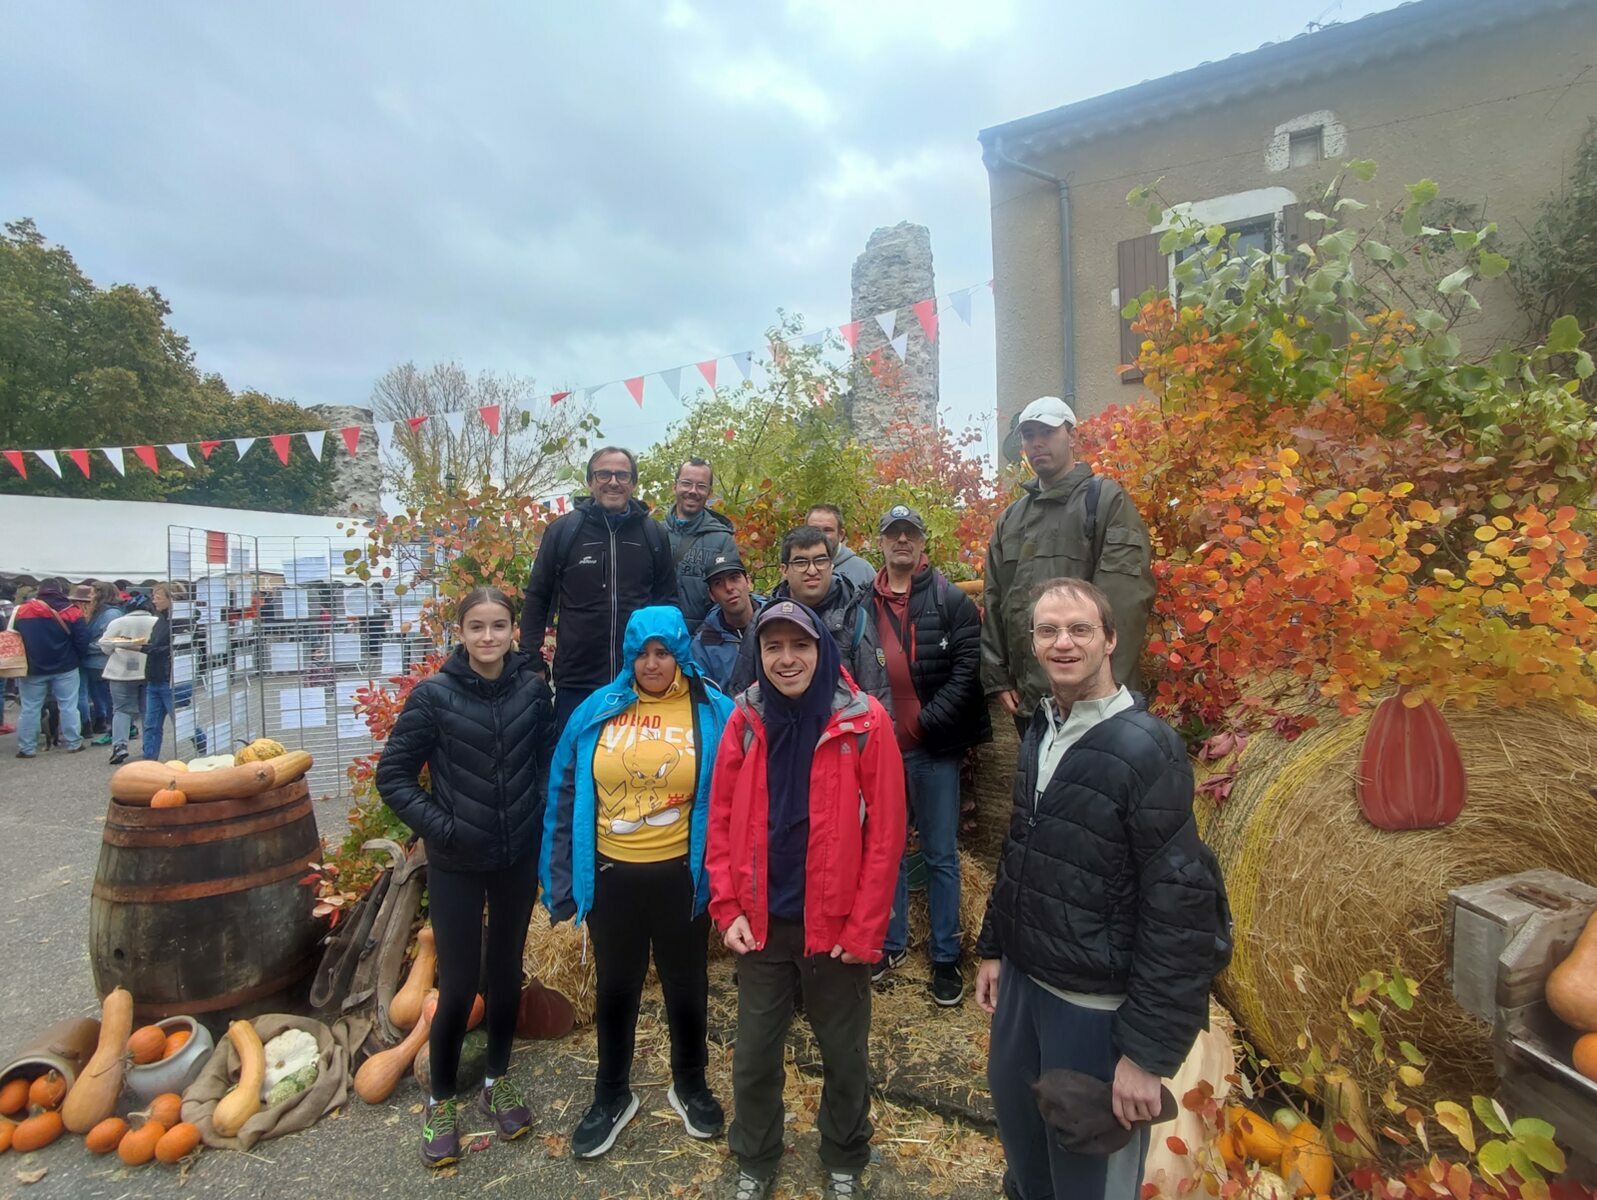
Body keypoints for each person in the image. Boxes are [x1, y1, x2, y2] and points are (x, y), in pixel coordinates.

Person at [974, 579, 1228, 1200]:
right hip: (1025, 992)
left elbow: (1181, 908)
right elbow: (1023, 849)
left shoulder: (1149, 749)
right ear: (1032, 643)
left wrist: (1145, 1055)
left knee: (1088, 1181)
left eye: (1080, 629)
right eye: (1048, 630)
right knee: (1026, 1163)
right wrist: (995, 947)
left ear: (1110, 639)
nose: (1063, 643)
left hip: (1091, 1011)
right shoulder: (1040, 730)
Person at [708, 599, 906, 1200]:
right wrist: (728, 907)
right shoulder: (745, 720)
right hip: (763, 924)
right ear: (759, 654)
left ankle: (845, 1155)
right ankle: (756, 1158)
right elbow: (718, 822)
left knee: (844, 1055)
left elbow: (888, 834)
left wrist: (866, 928)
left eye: (800, 646)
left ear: (822, 648)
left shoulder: (863, 720)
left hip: (837, 926)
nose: (787, 659)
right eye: (774, 647)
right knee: (754, 1057)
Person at [542, 605, 733, 1159]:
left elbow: (736, 800)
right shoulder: (597, 710)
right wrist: (559, 879)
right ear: (629, 656)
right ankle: (611, 1094)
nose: (652, 664)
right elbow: (561, 793)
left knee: (686, 984)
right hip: (611, 876)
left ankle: (690, 1083)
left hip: (681, 877)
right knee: (616, 987)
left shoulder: (712, 711)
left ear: (681, 654)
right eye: (642, 653)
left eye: (663, 652)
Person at [375, 586, 556, 1169]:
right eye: (476, 627)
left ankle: (497, 1079)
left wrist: (537, 819)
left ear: (512, 631)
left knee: (505, 976)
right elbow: (394, 776)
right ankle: (439, 1099)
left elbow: (548, 760)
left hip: (515, 857)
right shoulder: (433, 697)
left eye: (498, 626)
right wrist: (443, 828)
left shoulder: (533, 690)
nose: (487, 637)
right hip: (456, 860)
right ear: (460, 632)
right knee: (456, 989)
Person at [868, 505, 990, 1004]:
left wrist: (925, 723)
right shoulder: (862, 603)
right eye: (893, 533)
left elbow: (967, 670)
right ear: (881, 542)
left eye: (910, 534)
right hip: (881, 750)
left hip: (934, 748)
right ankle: (891, 943)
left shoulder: (951, 600)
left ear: (922, 542)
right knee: (889, 848)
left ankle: (945, 956)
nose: (902, 541)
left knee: (940, 854)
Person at [982, 396, 1155, 732]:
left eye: (1046, 431)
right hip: (1031, 705)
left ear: (1072, 436)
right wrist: (998, 677)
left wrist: (1103, 689)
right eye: (1028, 435)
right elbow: (994, 598)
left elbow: (1126, 601)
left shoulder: (1105, 501)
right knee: (1040, 785)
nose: (1036, 443)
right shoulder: (1011, 519)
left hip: (1096, 704)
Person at [520, 446, 679, 735]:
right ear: (591, 481)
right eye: (604, 473)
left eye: (622, 474)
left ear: (633, 482)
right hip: (577, 680)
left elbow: (668, 605)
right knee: (573, 767)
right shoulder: (564, 531)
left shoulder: (654, 535)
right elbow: (537, 598)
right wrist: (531, 659)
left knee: (633, 767)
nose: (613, 481)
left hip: (640, 678)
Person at [727, 526, 890, 713]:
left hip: (842, 736)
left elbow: (878, 697)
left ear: (831, 564)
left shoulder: (854, 619)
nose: (812, 570)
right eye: (801, 562)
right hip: (778, 734)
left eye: (820, 560)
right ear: (784, 570)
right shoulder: (763, 621)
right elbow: (741, 695)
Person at [11, 577, 91, 758]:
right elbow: (82, 639)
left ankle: (27, 748)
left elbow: (15, 637)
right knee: (68, 705)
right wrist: (78, 658)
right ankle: (74, 743)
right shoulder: (71, 611)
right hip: (66, 666)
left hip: (33, 668)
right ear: (60, 590)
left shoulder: (22, 611)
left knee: (30, 708)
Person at [661, 458, 739, 635]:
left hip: (704, 643)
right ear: (675, 487)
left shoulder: (722, 539)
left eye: (701, 486)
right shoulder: (654, 533)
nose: (693, 491)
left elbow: (729, 596)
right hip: (658, 641)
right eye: (686, 483)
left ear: (709, 493)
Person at [688, 553, 763, 693]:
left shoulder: (776, 622)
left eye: (734, 578)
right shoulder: (703, 645)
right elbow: (707, 700)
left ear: (748, 582)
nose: (728, 588)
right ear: (712, 595)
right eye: (718, 583)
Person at [99, 592, 157, 765]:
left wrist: (117, 649)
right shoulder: (156, 621)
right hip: (148, 670)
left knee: (121, 710)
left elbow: (105, 645)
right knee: (148, 711)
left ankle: (120, 746)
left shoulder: (118, 622)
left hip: (120, 671)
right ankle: (149, 748)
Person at [136, 583, 178, 762]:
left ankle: (203, 746)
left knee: (182, 721)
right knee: (151, 724)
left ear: (171, 599)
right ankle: (149, 759)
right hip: (154, 677)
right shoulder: (160, 619)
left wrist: (145, 648)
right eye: (154, 597)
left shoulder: (179, 621)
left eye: (158, 597)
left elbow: (171, 648)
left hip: (170, 678)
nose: (154, 601)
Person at [82, 582, 123, 744]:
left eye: (92, 593)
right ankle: (117, 729)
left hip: (102, 663)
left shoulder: (109, 614)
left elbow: (106, 641)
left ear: (101, 594)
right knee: (105, 700)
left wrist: (85, 648)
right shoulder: (101, 612)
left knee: (109, 701)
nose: (89, 597)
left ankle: (116, 732)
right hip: (96, 663)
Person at [804, 504, 875, 591]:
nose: (820, 536)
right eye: (814, 530)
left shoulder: (863, 571)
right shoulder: (795, 568)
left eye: (827, 530)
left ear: (841, 535)